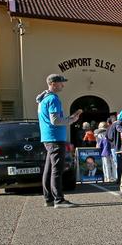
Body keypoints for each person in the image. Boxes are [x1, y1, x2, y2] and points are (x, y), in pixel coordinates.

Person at [36, 74, 82, 208]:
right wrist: (72, 119)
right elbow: (55, 120)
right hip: (55, 138)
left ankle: (49, 199)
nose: (63, 85)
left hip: (48, 137)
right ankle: (59, 200)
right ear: (54, 84)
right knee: (56, 169)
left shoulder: (43, 98)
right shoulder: (53, 99)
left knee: (49, 169)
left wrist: (69, 118)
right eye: (61, 83)